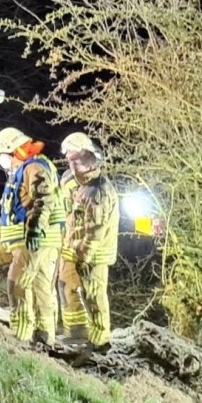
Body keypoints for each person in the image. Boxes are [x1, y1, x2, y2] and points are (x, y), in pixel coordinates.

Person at [0, 126, 67, 346]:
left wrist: (34, 228)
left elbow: (43, 200)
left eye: (1, 157)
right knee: (41, 288)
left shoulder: (33, 168)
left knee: (17, 283)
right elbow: (22, 200)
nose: (0, 162)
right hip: (44, 239)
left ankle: (21, 335)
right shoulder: (27, 168)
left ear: (13, 150)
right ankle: (44, 336)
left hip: (35, 238)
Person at [57, 132, 119, 351]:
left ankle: (100, 341)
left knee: (94, 296)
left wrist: (84, 255)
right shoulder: (81, 184)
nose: (70, 164)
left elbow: (95, 231)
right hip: (78, 249)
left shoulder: (98, 191)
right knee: (70, 287)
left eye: (74, 159)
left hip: (94, 254)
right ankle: (80, 333)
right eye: (69, 160)